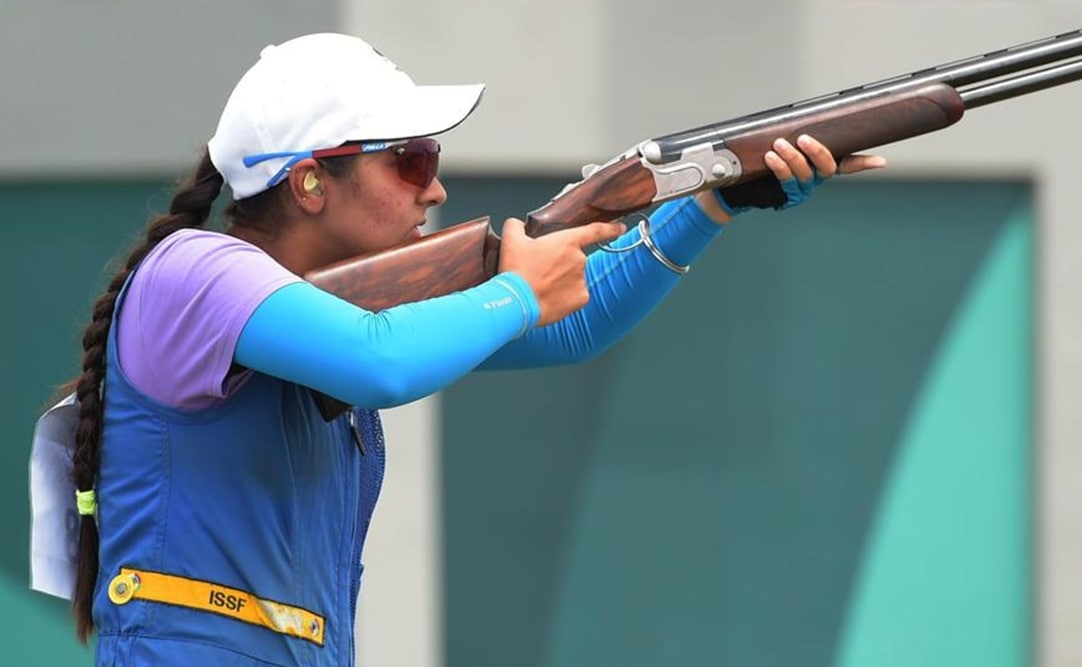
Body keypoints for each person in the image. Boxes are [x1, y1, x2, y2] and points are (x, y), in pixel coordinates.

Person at [29, 32, 885, 666]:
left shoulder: (349, 316)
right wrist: (513, 289)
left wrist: (713, 200)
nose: (435, 184)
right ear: (310, 180)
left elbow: (578, 324)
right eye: (409, 157)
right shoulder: (192, 273)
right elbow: (382, 361)